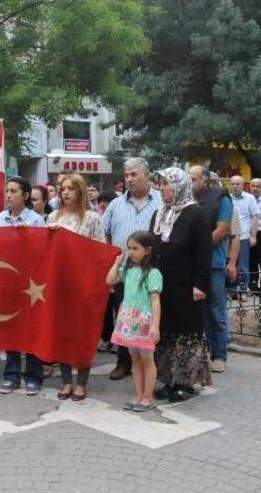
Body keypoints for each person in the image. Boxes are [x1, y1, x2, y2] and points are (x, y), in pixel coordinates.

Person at [151, 167, 212, 402]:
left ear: (179, 186)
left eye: (166, 184)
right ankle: (167, 379)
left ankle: (185, 383)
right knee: (166, 333)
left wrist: (200, 285)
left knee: (186, 334)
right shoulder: (159, 212)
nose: (162, 188)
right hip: (162, 288)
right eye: (161, 184)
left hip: (187, 288)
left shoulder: (196, 214)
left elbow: (204, 254)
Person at [102, 158, 162, 380]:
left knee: (150, 316)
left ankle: (153, 365)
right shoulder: (115, 205)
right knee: (124, 315)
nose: (129, 179)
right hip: (125, 272)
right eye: (126, 175)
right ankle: (124, 362)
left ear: (147, 175)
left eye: (134, 174)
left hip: (151, 272)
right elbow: (106, 234)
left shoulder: (160, 202)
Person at [47, 173, 105, 401]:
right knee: (62, 333)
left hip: (83, 284)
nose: (66, 192)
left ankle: (82, 381)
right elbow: (46, 251)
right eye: (63, 189)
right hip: (59, 283)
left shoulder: (91, 218)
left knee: (82, 333)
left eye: (71, 188)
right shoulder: (53, 216)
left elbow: (101, 251)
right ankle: (66, 382)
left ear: (80, 191)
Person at [0, 176, 46, 396]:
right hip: (9, 279)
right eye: (7, 191)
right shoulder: (1, 217)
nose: (8, 195)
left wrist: (28, 237)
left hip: (31, 283)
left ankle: (33, 376)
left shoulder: (36, 220)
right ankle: (11, 375)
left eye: (13, 191)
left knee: (32, 329)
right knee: (11, 328)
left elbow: (42, 252)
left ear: (25, 196)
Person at [106, 231, 162, 412]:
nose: (131, 252)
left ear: (147, 250)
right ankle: (139, 395)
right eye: (129, 248)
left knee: (147, 359)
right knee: (134, 359)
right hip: (128, 322)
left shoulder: (152, 273)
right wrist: (117, 263)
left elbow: (155, 300)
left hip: (143, 322)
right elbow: (110, 280)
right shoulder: (128, 270)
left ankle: (148, 396)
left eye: (135, 248)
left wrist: (155, 325)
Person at [189, 166, 233, 373]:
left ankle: (219, 355)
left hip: (213, 264)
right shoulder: (188, 200)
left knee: (216, 310)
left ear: (206, 181)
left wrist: (201, 247)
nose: (191, 183)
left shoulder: (222, 199)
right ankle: (203, 353)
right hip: (193, 264)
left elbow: (222, 229)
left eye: (194, 179)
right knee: (199, 311)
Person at [230, 176, 260, 294]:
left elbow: (255, 217)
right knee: (231, 263)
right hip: (230, 237)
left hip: (243, 237)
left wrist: (253, 236)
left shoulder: (249, 198)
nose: (235, 186)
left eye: (237, 184)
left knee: (243, 264)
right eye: (233, 184)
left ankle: (243, 289)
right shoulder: (228, 198)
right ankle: (232, 288)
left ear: (243, 185)